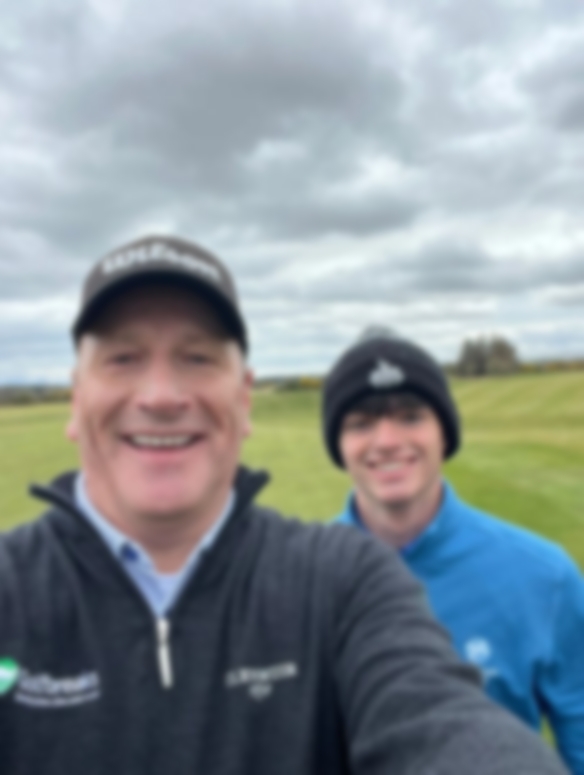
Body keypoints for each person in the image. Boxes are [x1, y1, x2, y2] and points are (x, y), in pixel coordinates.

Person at [0, 237, 569, 775]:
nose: (162, 396)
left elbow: (440, 720)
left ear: (245, 399)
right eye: (123, 358)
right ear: (76, 398)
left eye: (197, 357)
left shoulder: (345, 578)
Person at [323, 326, 584, 775]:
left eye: (411, 416)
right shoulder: (298, 579)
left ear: (445, 433)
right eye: (361, 422)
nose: (386, 440)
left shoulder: (546, 577)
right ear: (339, 446)